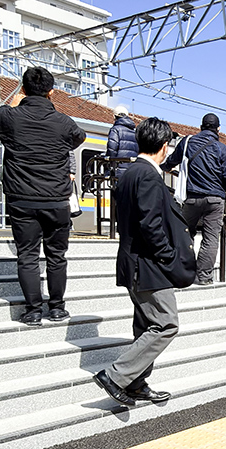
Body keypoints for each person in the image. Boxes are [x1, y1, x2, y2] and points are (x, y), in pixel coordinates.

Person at [94, 117, 196, 405]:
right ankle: (116, 376)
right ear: (164, 147)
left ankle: (136, 384)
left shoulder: (128, 173)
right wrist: (168, 256)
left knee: (144, 324)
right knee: (166, 325)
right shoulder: (149, 176)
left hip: (133, 262)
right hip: (149, 265)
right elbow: (150, 224)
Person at [0, 67, 85, 326]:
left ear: (23, 90)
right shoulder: (64, 123)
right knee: (57, 256)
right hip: (57, 200)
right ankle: (58, 307)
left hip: (22, 199)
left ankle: (33, 310)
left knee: (27, 255)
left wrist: (12, 104)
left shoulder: (10, 117)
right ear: (52, 92)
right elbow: (79, 138)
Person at [162, 112, 226, 285]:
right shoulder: (223, 149)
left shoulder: (188, 142)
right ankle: (203, 277)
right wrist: (223, 190)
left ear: (201, 127)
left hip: (192, 198)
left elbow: (172, 161)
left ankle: (183, 272)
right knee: (211, 239)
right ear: (218, 129)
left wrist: (162, 167)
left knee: (185, 234)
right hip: (215, 200)